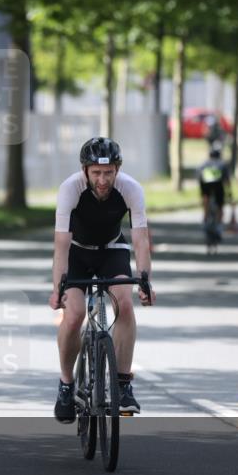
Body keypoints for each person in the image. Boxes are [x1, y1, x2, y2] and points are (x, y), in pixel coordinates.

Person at [49, 138, 155, 421]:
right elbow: (61, 243)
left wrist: (145, 281)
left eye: (108, 173)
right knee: (74, 315)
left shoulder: (131, 188)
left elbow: (141, 239)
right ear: (85, 170)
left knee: (125, 304)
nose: (103, 179)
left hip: (112, 249)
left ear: (118, 169)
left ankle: (123, 385)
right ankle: (66, 383)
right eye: (96, 172)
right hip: (77, 253)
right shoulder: (70, 189)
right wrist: (57, 287)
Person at [198, 141, 232, 238]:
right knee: (220, 206)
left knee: (205, 199)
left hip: (205, 186)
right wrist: (229, 193)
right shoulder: (223, 164)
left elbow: (199, 178)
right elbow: (227, 181)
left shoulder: (203, 164)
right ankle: (219, 225)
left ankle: (205, 218)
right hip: (218, 187)